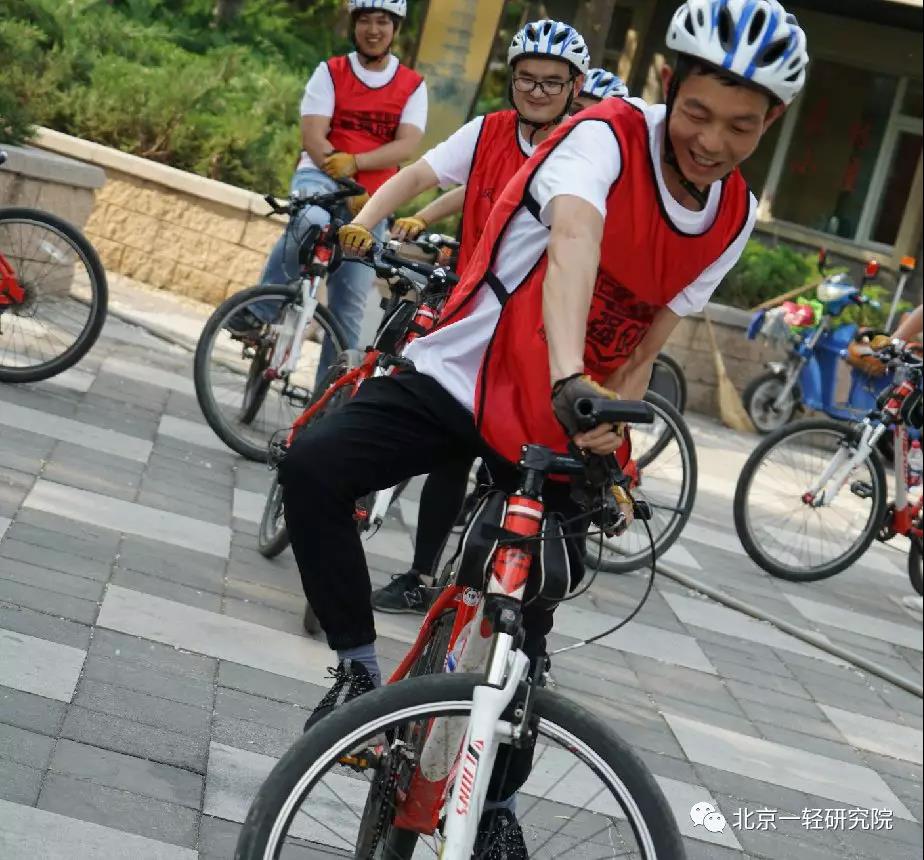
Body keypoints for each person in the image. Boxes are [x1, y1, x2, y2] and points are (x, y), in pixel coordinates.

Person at [279, 0, 808, 845]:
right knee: (313, 465)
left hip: (564, 418)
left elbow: (646, 344)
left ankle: (493, 806)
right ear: (668, 84)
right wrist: (570, 374)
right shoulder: (606, 135)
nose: (712, 141)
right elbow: (573, 246)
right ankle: (357, 671)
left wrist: (609, 424)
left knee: (528, 624)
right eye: (699, 113)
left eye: (741, 127)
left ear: (771, 122)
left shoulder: (734, 217)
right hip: (472, 372)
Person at [334, 18, 591, 615]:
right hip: (470, 312)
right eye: (526, 79)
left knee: (516, 469)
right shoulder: (489, 131)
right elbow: (419, 175)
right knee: (449, 448)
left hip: (534, 331)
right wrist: (365, 221)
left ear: (574, 86)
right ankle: (421, 575)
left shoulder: (585, 153)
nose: (537, 92)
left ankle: (502, 605)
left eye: (552, 83)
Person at [232, 0, 427, 378]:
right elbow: (313, 136)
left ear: (395, 28)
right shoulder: (331, 72)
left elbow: (406, 146)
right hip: (320, 175)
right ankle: (256, 313)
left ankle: (327, 402)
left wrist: (357, 164)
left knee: (349, 307)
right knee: (309, 220)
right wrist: (344, 177)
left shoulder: (412, 86)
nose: (373, 30)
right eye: (365, 20)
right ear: (354, 25)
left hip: (374, 198)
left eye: (382, 22)